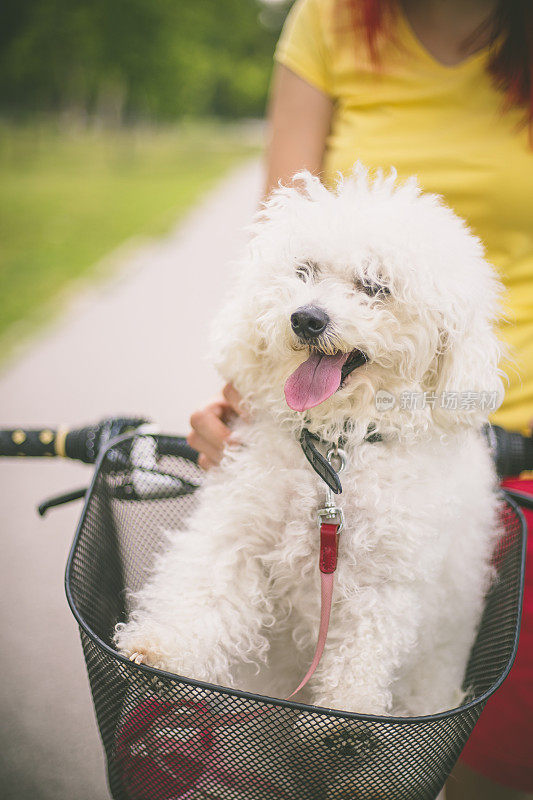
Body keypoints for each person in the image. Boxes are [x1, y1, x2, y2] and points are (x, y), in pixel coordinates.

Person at [187, 1, 533, 797]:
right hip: (344, 417)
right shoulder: (331, 21)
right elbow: (278, 254)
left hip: (498, 417)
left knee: (485, 752)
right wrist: (242, 391)